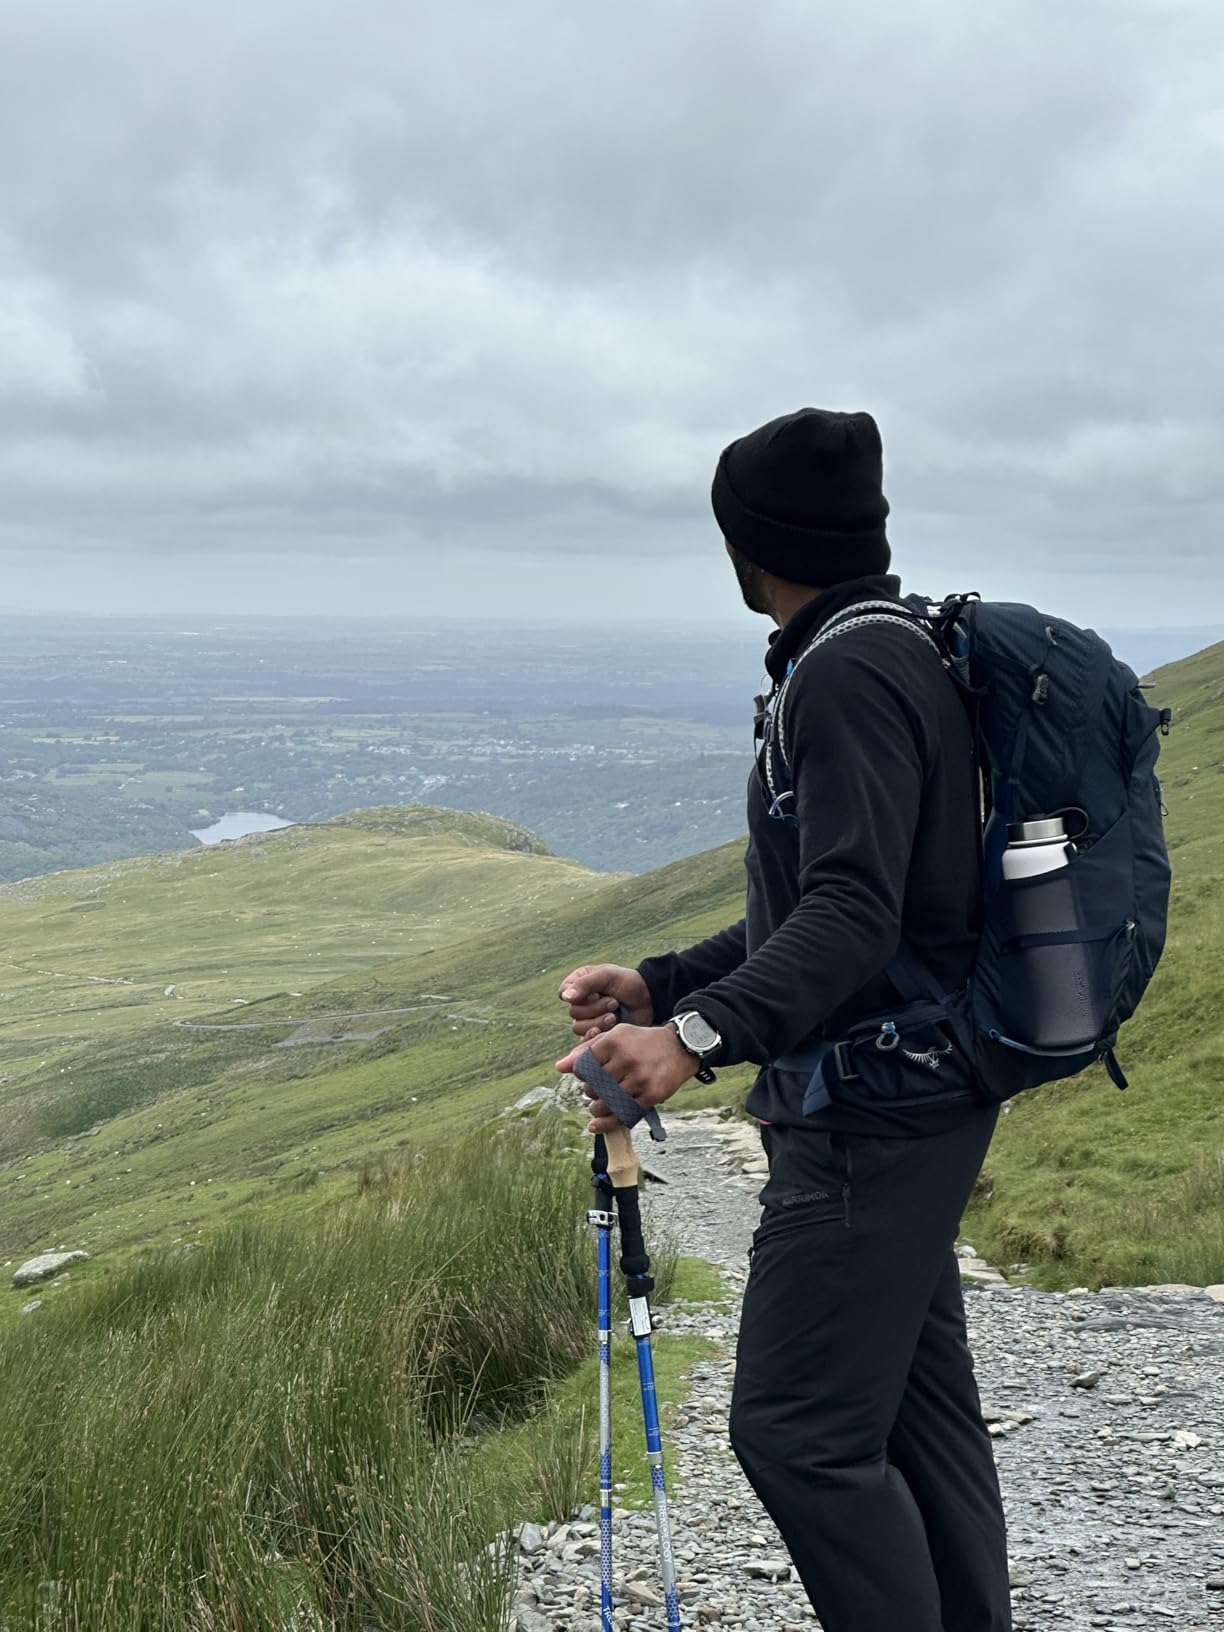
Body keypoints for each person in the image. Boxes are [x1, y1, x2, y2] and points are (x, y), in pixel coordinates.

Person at [556, 408, 1012, 1632]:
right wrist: (665, 984)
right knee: (920, 1418)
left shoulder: (851, 671)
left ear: (747, 543)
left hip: (872, 1105)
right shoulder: (887, 647)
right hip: (916, 1086)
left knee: (797, 1430)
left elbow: (856, 914)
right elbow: (826, 904)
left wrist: (692, 1042)